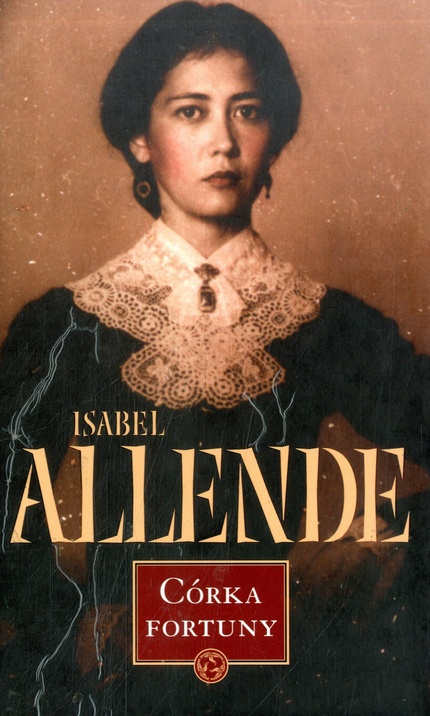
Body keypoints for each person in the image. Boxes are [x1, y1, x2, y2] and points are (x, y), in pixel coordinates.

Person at [0, 3, 428, 714]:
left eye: (247, 111)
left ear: (273, 135)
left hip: (282, 680)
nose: (224, 143)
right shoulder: (61, 324)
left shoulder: (332, 323)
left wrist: (371, 559)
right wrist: (73, 628)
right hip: (116, 684)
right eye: (192, 112)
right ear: (140, 137)